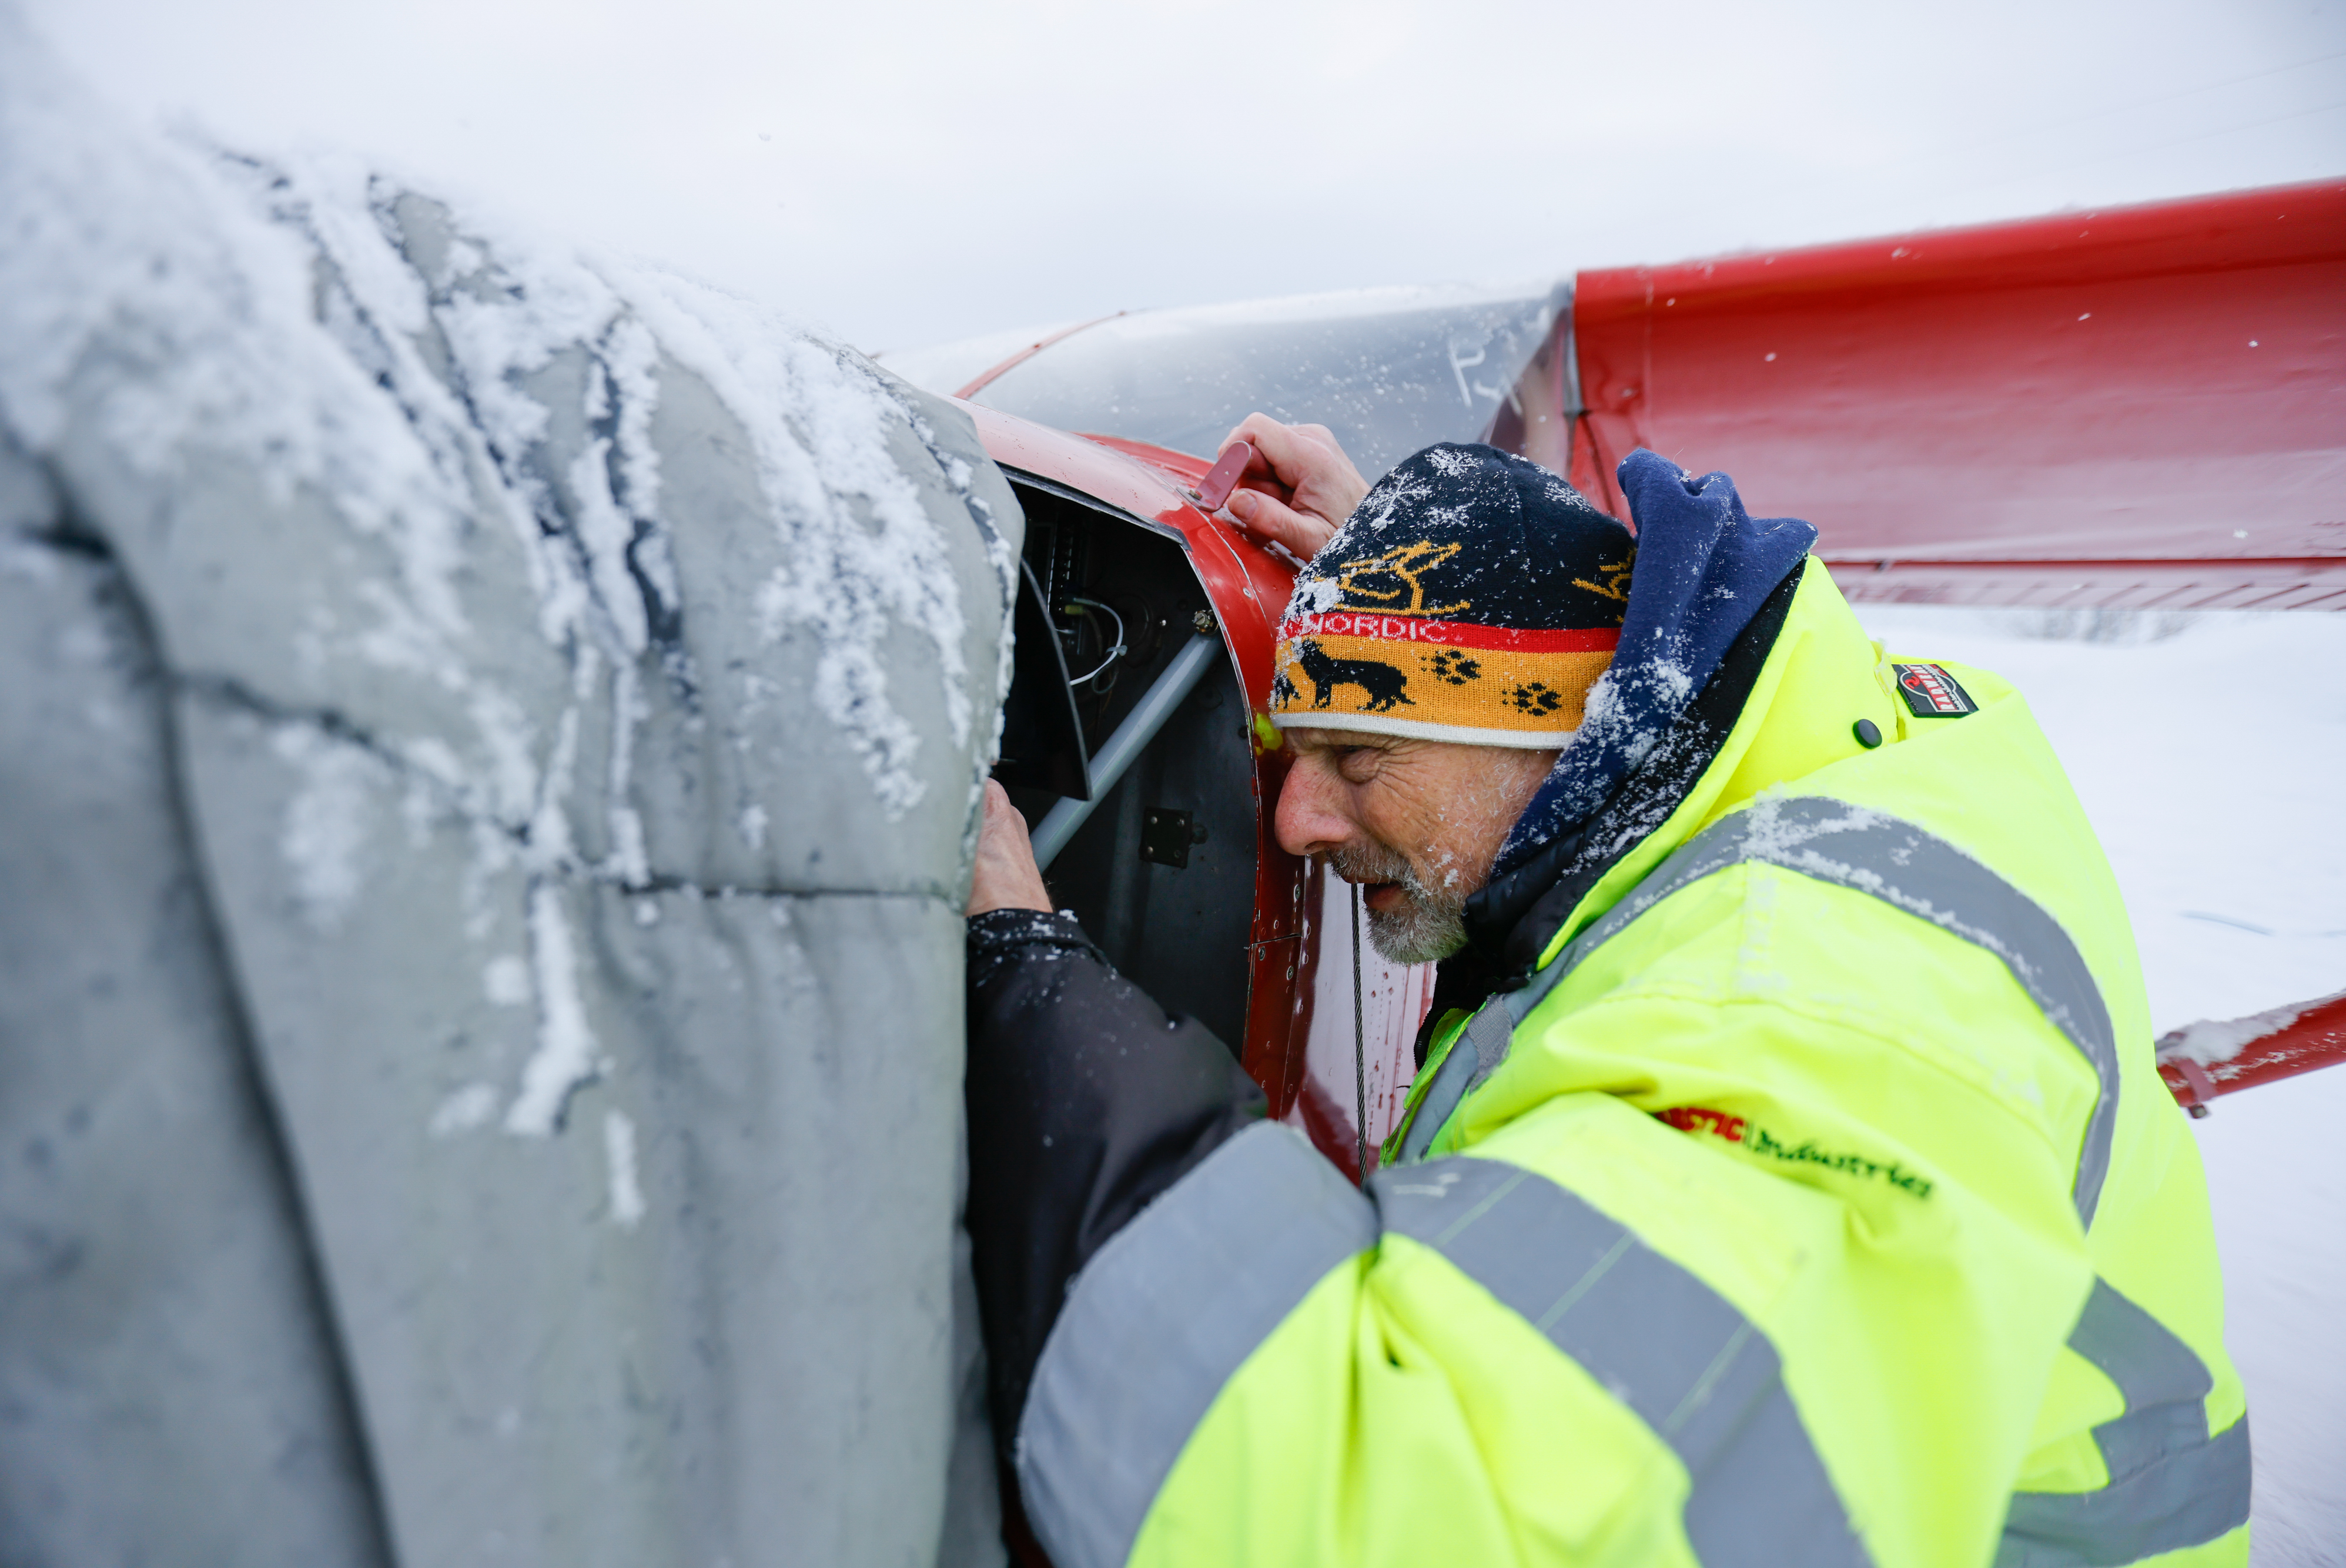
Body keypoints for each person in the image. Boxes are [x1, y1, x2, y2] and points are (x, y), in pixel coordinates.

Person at [960, 418, 2249, 1568]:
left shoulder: (1803, 1013)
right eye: (1290, 755)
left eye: (1355, 754)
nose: (1293, 816)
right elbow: (1565, 680)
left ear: (1562, 738)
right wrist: (1431, 573)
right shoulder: (1840, 741)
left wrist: (1032, 985)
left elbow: (1381, 1513)